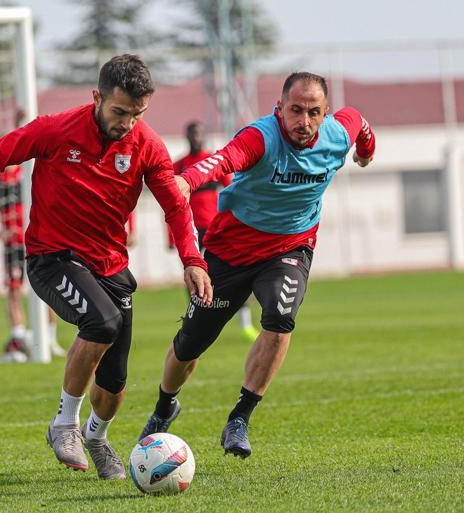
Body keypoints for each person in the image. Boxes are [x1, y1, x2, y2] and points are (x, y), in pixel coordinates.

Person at [0, 54, 212, 480]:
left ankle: (96, 436)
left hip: (110, 266)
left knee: (114, 386)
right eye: (119, 112)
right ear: (96, 97)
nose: (127, 123)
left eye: (137, 114)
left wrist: (192, 259)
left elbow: (175, 204)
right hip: (51, 257)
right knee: (102, 323)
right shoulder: (55, 129)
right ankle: (64, 425)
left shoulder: (146, 145)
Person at [139, 72, 376, 458]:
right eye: (295, 111)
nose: (304, 121)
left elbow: (361, 124)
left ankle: (240, 418)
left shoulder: (338, 131)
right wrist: (189, 180)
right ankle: (165, 407)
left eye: (313, 112)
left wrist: (366, 151)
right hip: (230, 250)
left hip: (290, 248)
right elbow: (223, 160)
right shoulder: (261, 137)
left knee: (281, 319)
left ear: (325, 113)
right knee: (190, 345)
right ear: (279, 108)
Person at [0, 109, 66, 360]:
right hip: (13, 241)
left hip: (37, 236)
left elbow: (28, 138)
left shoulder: (24, 170)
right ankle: (19, 337)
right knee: (14, 289)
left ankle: (50, 340)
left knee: (45, 288)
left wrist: (17, 123)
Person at [169, 121, 259, 342]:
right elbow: (170, 204)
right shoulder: (179, 165)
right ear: (187, 136)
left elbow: (232, 191)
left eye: (199, 133)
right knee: (193, 274)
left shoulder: (212, 162)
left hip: (216, 227)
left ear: (203, 135)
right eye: (192, 134)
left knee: (232, 271)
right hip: (190, 229)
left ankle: (245, 323)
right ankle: (195, 317)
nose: (196, 137)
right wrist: (171, 235)